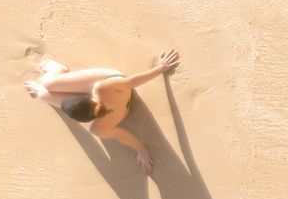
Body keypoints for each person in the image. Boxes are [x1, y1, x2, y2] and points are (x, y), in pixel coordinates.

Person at [26, 49, 181, 174]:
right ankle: (51, 80)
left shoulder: (96, 128)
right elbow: (133, 82)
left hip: (112, 90)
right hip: (116, 88)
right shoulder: (102, 88)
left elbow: (123, 137)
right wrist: (162, 67)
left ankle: (57, 73)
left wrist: (141, 151)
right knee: (46, 88)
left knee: (46, 87)